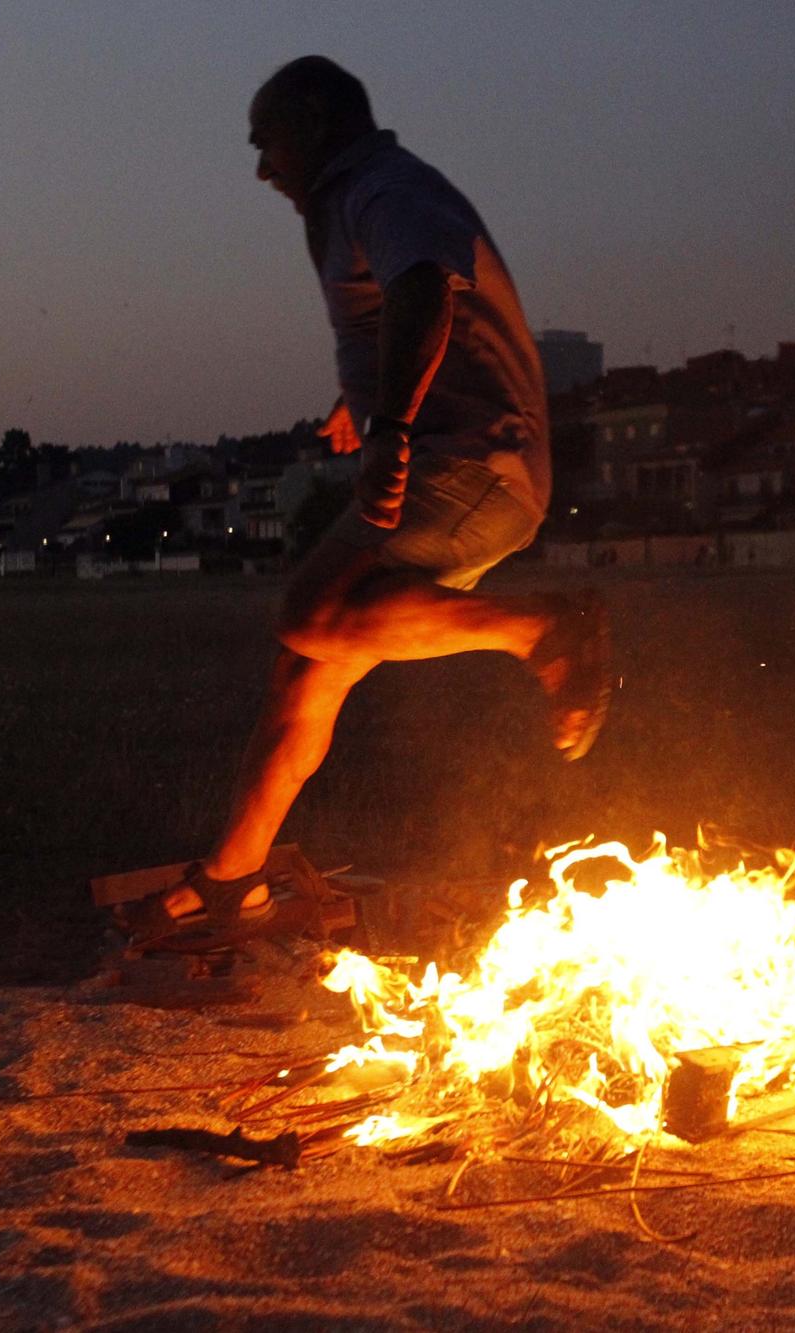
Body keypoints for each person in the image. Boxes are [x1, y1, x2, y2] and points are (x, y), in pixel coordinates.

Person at [120, 56, 612, 949]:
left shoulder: (380, 186)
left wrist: (392, 425)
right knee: (305, 674)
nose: (262, 169)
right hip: (463, 460)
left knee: (312, 611)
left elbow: (426, 283)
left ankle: (545, 629)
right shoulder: (364, 195)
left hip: (466, 466)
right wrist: (365, 405)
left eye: (266, 142)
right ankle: (235, 877)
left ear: (312, 123)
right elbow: (399, 307)